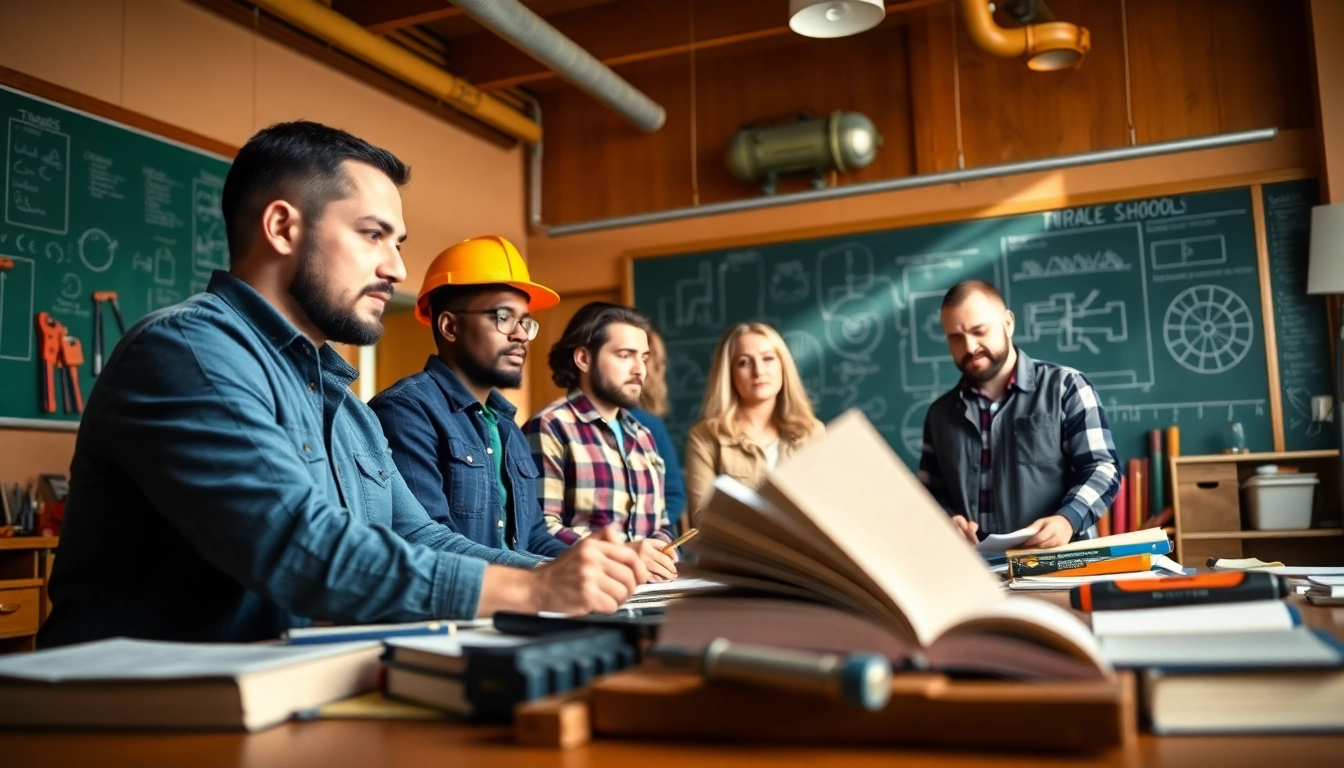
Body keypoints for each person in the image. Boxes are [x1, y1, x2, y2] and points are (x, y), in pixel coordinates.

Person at [39, 121, 646, 648]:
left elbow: (418, 535)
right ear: (282, 227)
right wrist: (534, 587)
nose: (397, 268)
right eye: (372, 234)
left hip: (286, 694)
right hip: (147, 715)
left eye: (397, 243)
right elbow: (294, 545)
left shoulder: (343, 403)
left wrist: (580, 570)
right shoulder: (188, 352)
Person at [370, 236, 569, 558]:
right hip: (455, 608)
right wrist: (548, 575)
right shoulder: (404, 412)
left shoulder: (504, 424)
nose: (520, 334)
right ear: (449, 326)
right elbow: (427, 543)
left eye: (524, 322)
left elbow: (533, 536)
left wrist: (603, 563)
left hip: (521, 602)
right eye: (503, 317)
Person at [918, 280, 1122, 550]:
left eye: (979, 331)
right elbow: (929, 492)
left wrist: (1068, 520)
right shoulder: (939, 414)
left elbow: (1102, 468)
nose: (969, 347)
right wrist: (946, 518)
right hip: (974, 574)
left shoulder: (1067, 387)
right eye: (956, 337)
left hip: (1058, 566)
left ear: (1008, 323)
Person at [524, 302, 678, 581]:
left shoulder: (643, 435)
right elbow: (541, 528)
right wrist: (625, 553)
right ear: (583, 358)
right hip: (586, 589)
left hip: (650, 590)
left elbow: (662, 520)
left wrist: (662, 549)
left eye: (643, 358)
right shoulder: (549, 426)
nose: (640, 370)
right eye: (624, 355)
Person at [683, 322, 825, 526]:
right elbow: (703, 520)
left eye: (768, 358)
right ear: (729, 373)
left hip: (804, 555)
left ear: (783, 366)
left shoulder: (811, 432)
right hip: (738, 556)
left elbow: (827, 510)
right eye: (744, 362)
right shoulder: (705, 437)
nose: (758, 371)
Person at [628, 327, 688, 532]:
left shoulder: (650, 424)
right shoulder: (648, 423)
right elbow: (675, 494)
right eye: (658, 363)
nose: (662, 371)